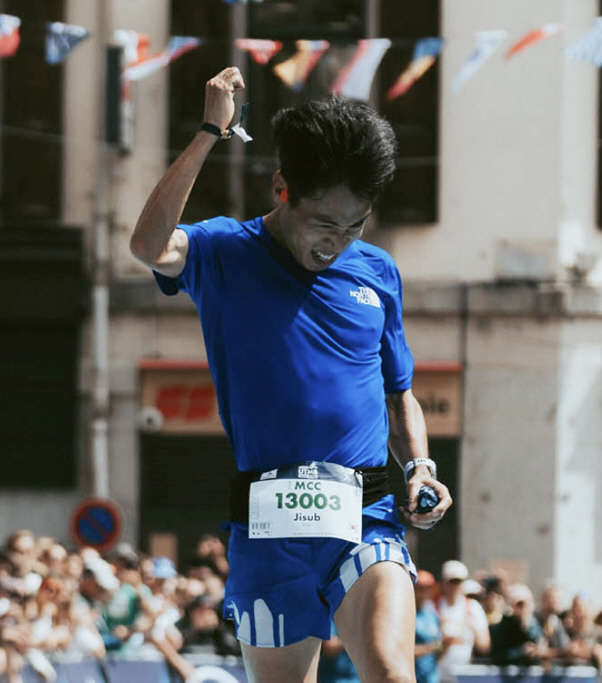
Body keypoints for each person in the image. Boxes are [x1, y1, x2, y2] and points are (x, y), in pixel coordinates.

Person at [130, 65, 452, 683]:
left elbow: (399, 392)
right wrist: (208, 132)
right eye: (325, 223)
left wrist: (421, 469)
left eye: (354, 225)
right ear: (282, 186)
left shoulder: (377, 271)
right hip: (266, 521)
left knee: (391, 670)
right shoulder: (224, 252)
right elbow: (148, 246)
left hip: (366, 511)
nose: (337, 242)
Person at [435, 560, 490, 682]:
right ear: (443, 583)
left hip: (463, 675)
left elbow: (484, 646)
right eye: (452, 582)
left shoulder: (473, 607)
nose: (455, 586)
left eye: (458, 582)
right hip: (435, 676)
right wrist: (444, 642)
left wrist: (473, 627)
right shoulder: (434, 606)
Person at [489, 583, 546, 666]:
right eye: (519, 605)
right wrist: (520, 652)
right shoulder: (501, 628)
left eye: (525, 604)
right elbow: (498, 655)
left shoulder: (538, 624)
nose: (523, 608)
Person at [413, 570, 442, 683]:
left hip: (431, 678)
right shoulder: (406, 615)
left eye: (427, 588)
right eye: (420, 588)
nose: (423, 592)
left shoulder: (433, 615)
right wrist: (430, 647)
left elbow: (439, 647)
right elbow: (401, 652)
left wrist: (445, 644)